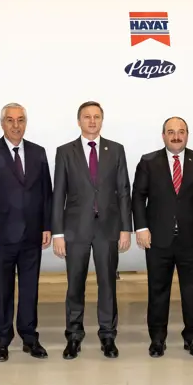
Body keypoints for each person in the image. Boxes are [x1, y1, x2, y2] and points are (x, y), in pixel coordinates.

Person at [132, 117, 193, 358]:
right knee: (157, 291)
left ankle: (192, 337)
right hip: (158, 239)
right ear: (163, 136)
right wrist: (141, 228)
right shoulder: (148, 162)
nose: (176, 136)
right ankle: (157, 339)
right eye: (171, 132)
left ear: (187, 135)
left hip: (192, 240)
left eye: (181, 132)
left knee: (192, 290)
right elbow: (138, 197)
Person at [52, 101, 132, 360]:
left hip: (108, 229)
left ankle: (108, 335)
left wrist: (125, 228)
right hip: (75, 230)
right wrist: (58, 233)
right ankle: (74, 335)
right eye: (87, 117)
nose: (92, 121)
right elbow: (58, 194)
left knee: (107, 283)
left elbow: (124, 191)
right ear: (79, 121)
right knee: (75, 284)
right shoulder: (65, 152)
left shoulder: (116, 150)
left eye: (97, 116)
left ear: (102, 120)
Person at [0, 103, 52, 362]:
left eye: (20, 120)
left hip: (32, 235)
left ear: (25, 123)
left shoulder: (38, 152)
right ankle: (2, 340)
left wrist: (47, 225)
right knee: (2, 291)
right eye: (10, 120)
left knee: (30, 289)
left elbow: (46, 193)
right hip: (0, 236)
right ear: (2, 123)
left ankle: (30, 337)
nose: (16, 125)